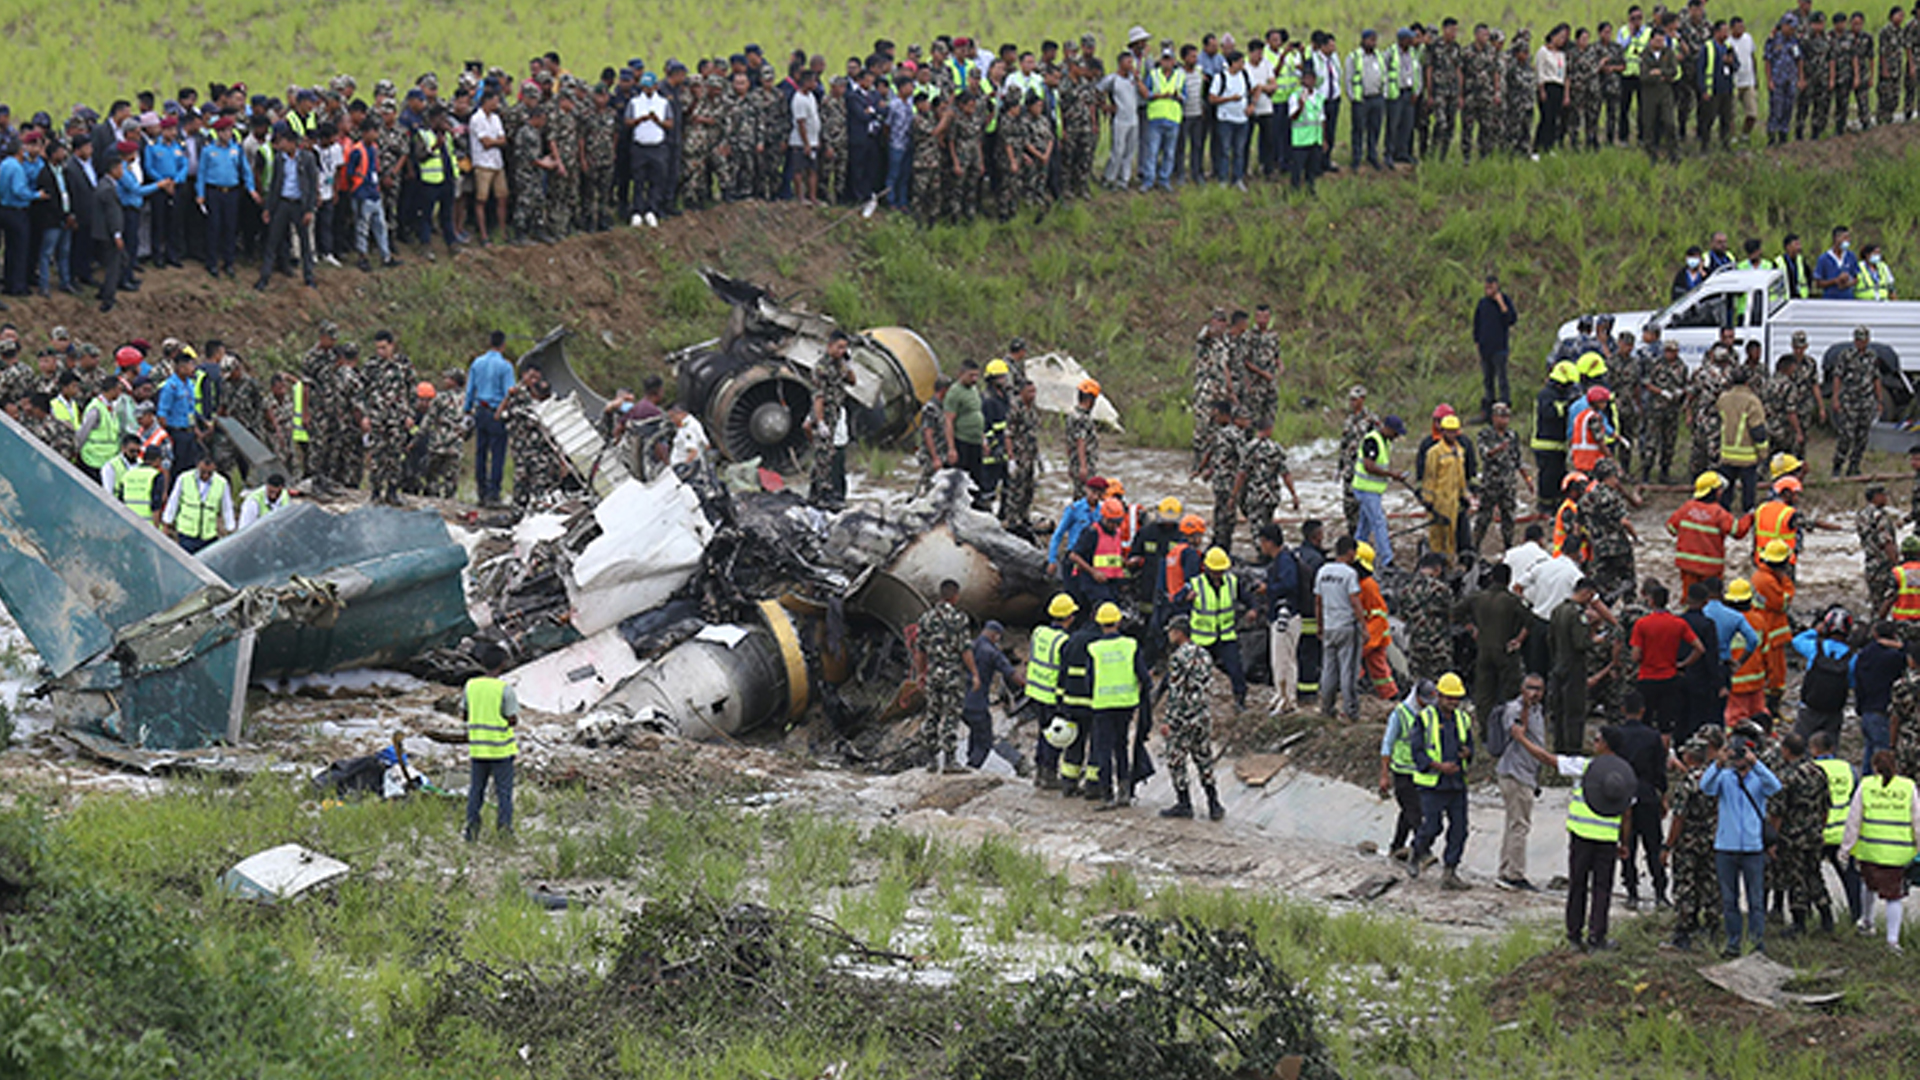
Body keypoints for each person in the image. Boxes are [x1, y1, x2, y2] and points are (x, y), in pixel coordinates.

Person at [1514, 720, 1636, 950]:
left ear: (1606, 745)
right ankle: (1597, 938)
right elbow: (1627, 814)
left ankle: (1573, 936)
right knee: (1602, 891)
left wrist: (1522, 739)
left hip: (1581, 837)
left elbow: (1547, 758)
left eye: (1597, 739)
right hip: (1608, 841)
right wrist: (1624, 842)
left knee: (1577, 886)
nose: (1594, 743)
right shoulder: (1624, 775)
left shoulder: (1584, 766)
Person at [1699, 732, 1783, 957]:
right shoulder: (1724, 778)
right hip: (1725, 847)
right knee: (1729, 900)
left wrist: (1756, 763)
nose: (1738, 758)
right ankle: (1733, 942)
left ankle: (1756, 943)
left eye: (1741, 754)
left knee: (1756, 900)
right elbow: (1705, 787)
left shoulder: (1758, 779)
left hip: (1753, 848)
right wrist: (1718, 762)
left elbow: (1775, 787)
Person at [1841, 749, 1920, 951]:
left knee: (1869, 885)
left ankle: (1867, 921)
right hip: (1898, 854)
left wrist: (1846, 848)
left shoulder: (1866, 786)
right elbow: (1917, 822)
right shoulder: (1908, 787)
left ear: (1874, 767)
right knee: (1894, 896)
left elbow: (1853, 820)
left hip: (1869, 850)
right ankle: (1892, 941)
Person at [1408, 672, 1474, 891]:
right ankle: (1416, 852)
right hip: (1433, 784)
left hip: (1456, 784)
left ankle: (1450, 872)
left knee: (1460, 829)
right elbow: (1417, 752)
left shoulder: (1463, 719)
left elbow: (1470, 746)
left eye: (1456, 699)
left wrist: (1467, 753)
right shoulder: (1425, 718)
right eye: (1449, 698)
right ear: (1439, 696)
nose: (1453, 702)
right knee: (1432, 826)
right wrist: (1439, 766)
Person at [1160, 616, 1224, 821]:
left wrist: (1169, 720)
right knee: (1204, 759)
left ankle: (1184, 803)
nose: (1169, 635)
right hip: (1202, 714)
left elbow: (1177, 692)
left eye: (1171, 631)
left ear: (1179, 632)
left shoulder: (1178, 657)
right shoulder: (1204, 654)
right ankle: (1214, 804)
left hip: (1183, 718)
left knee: (1176, 760)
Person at [1086, 601, 1149, 810]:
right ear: (1119, 622)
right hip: (1126, 704)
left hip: (1103, 704)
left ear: (1099, 623)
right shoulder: (1130, 645)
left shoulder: (1094, 649)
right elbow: (1144, 676)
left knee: (1103, 749)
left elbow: (1089, 680)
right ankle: (1124, 791)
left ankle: (1107, 795)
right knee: (1121, 747)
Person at [1491, 673, 1549, 891]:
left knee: (1514, 824)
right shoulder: (1515, 709)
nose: (1534, 693)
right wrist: (1524, 706)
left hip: (1526, 773)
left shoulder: (1537, 710)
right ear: (1522, 688)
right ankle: (1514, 875)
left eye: (1538, 689)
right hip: (1516, 773)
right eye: (1530, 688)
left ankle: (1506, 870)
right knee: (1519, 826)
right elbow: (1518, 733)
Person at [915, 580, 976, 774]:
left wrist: (920, 674)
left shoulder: (925, 618)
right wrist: (975, 673)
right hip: (953, 674)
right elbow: (965, 649)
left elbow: (920, 650)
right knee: (951, 714)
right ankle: (949, 760)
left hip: (934, 673)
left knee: (932, 714)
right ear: (955, 596)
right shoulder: (958, 618)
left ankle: (931, 759)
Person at [1629, 580, 1705, 735]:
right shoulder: (1678, 623)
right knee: (1666, 725)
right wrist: (1683, 664)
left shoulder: (1642, 624)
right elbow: (1700, 648)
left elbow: (1635, 655)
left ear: (1650, 601)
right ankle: (1663, 756)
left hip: (1647, 677)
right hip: (1669, 677)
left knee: (1645, 721)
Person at [462, 642, 519, 842]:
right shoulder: (505, 689)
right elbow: (512, 719)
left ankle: (471, 832)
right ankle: (504, 832)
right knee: (504, 794)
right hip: (501, 750)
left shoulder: (471, 686)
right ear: (503, 664)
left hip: (478, 749)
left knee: (475, 791)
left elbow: (465, 714)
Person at [1380, 679, 1439, 862]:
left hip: (1422, 770)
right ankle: (1424, 851)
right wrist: (1384, 774)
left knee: (1408, 811)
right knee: (1415, 811)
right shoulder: (1400, 714)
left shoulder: (1430, 712)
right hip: (1402, 771)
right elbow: (1387, 744)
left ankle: (1396, 846)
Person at [1667, 471, 1743, 596]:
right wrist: (1750, 517)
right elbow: (1738, 532)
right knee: (1711, 599)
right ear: (1716, 492)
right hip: (1711, 568)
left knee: (1690, 598)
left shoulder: (1687, 508)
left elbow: (1671, 528)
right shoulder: (1719, 513)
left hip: (1687, 566)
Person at [1316, 536, 1366, 721]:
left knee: (1328, 669)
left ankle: (1327, 708)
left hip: (1329, 627)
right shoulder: (1349, 574)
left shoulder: (1323, 571)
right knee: (1348, 671)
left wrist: (1320, 625)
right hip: (1346, 627)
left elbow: (1318, 601)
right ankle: (1350, 710)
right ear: (1350, 552)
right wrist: (1363, 626)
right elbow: (1355, 601)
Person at [961, 620, 1023, 769]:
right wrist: (1029, 684)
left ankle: (968, 761)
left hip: (961, 700)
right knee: (985, 740)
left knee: (975, 732)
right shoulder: (992, 653)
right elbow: (1011, 674)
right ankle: (972, 768)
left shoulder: (969, 646)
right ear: (995, 636)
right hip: (978, 703)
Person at [1547, 577, 1598, 753]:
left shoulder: (1557, 610)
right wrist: (1595, 639)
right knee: (1574, 711)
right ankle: (1573, 749)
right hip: (1574, 667)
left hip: (1558, 664)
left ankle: (1559, 747)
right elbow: (1581, 643)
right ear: (1585, 592)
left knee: (1559, 710)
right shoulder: (1577, 614)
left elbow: (1550, 639)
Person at [1351, 413, 1407, 573]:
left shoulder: (1385, 442)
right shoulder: (1372, 440)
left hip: (1372, 490)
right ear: (1387, 428)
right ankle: (1386, 560)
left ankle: (1355, 554)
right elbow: (1369, 466)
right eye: (1396, 432)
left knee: (1364, 528)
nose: (1397, 436)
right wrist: (1391, 474)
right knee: (1379, 522)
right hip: (1365, 490)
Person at [160, 454, 233, 554]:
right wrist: (167, 523)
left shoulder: (221, 483)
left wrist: (230, 528)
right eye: (203, 472)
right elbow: (174, 501)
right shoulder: (184, 478)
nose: (206, 476)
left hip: (208, 534)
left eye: (209, 473)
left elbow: (227, 507)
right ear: (197, 466)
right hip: (186, 533)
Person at [1471, 275, 1517, 422]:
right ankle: (1488, 412)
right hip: (1485, 348)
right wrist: (1477, 340)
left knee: (1502, 380)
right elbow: (1477, 323)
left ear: (1496, 286)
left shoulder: (1504, 301)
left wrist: (1501, 304)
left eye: (1490, 287)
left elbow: (1511, 320)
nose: (1488, 290)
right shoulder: (1483, 303)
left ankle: (1504, 409)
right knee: (1488, 380)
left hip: (1500, 348)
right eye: (1486, 288)